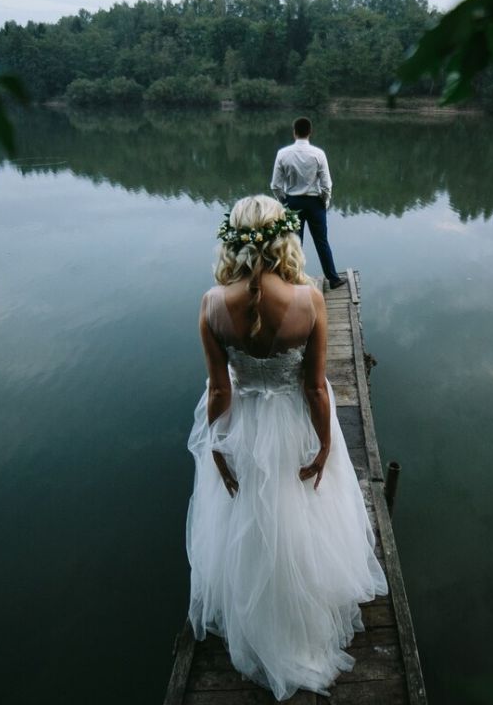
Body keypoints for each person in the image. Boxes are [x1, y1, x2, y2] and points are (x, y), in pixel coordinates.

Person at [185, 195, 388, 700]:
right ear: (285, 238)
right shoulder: (310, 298)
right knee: (302, 517)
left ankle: (259, 621)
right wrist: (323, 447)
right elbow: (317, 388)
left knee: (250, 519)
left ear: (231, 239)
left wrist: (217, 444)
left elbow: (219, 391)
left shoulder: (212, 303)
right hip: (294, 423)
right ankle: (302, 617)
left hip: (246, 426)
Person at [270, 117, 346, 289]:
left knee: (294, 244)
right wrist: (324, 201)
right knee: (322, 242)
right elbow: (326, 185)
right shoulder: (318, 154)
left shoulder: (283, 154)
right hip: (315, 203)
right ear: (310, 132)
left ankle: (294, 280)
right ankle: (333, 279)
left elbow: (275, 185)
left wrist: (284, 201)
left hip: (292, 202)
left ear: (294, 132)